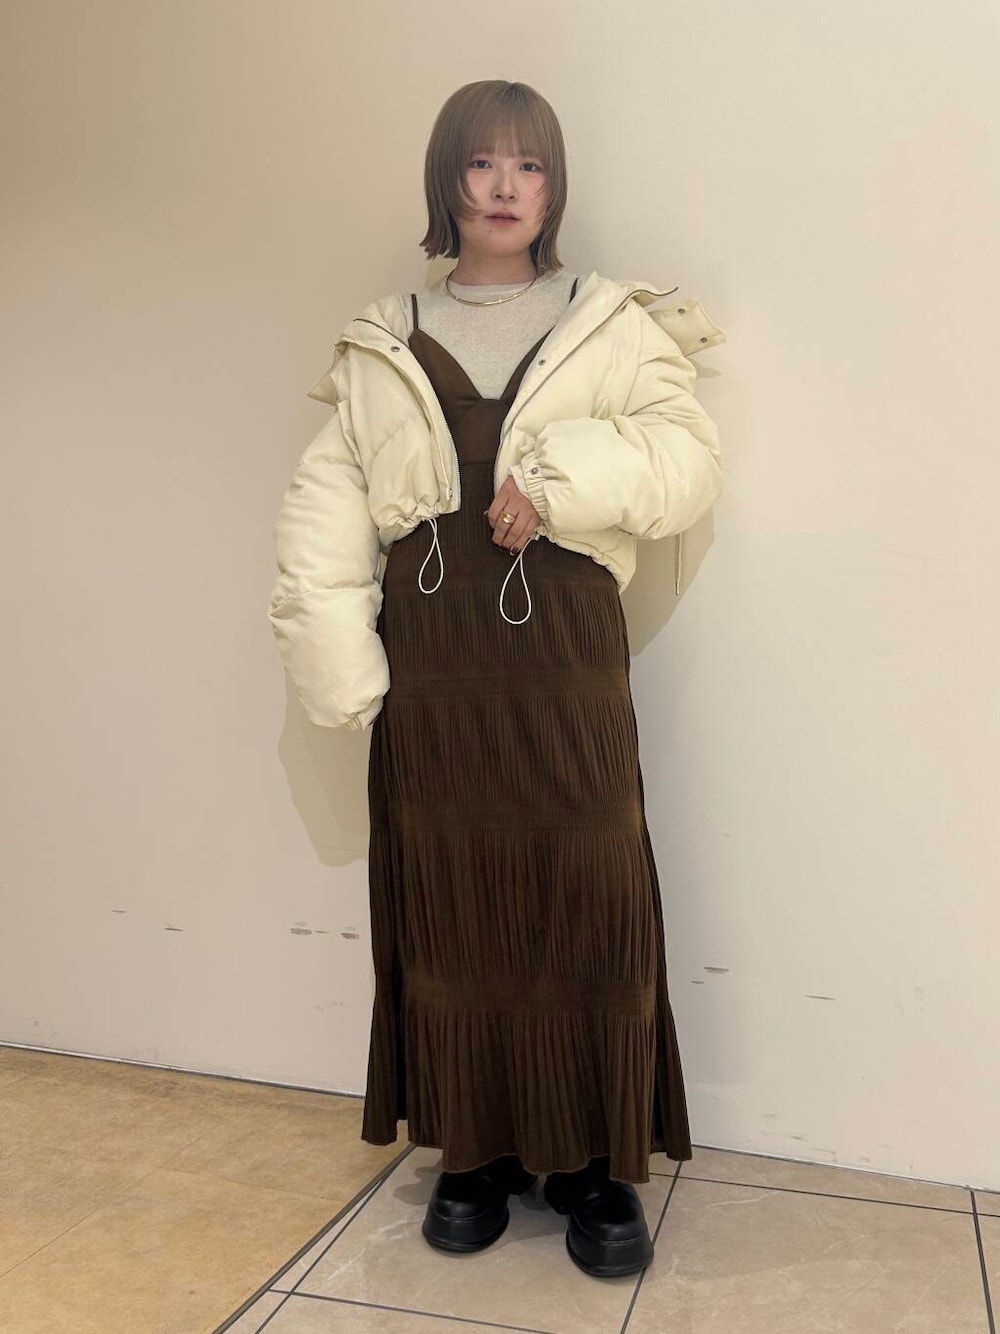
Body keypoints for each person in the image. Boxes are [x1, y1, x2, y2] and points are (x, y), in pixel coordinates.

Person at [267, 79, 725, 1279]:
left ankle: (592, 1162)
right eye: (481, 163)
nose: (506, 186)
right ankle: (471, 1150)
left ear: (554, 185)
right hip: (436, 660)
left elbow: (685, 461)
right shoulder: (383, 334)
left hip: (564, 651)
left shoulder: (609, 319)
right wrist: (339, 665)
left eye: (529, 164)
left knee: (586, 889)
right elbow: (324, 511)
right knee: (453, 896)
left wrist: (561, 478)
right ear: (448, 181)